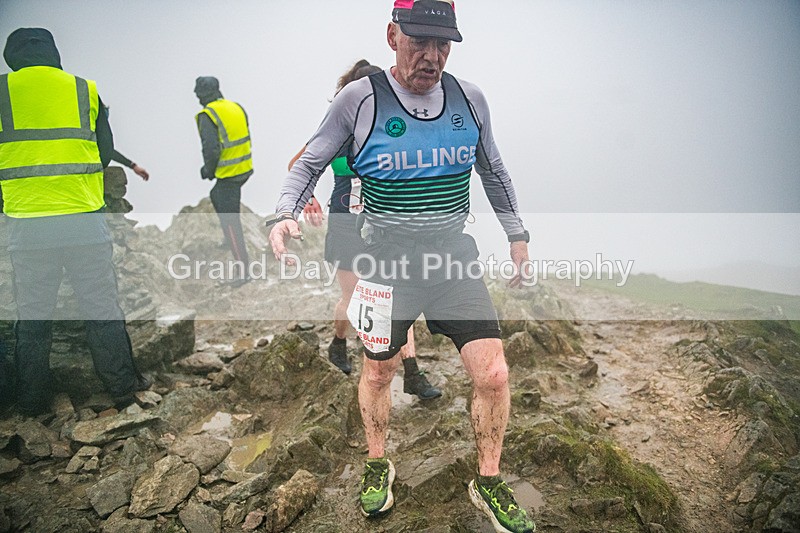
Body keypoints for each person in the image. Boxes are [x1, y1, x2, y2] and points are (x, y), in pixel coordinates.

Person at [269, 1, 535, 531]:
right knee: (379, 369)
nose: (432, 57)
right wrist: (284, 214)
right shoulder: (360, 100)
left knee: (495, 372)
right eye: (419, 42)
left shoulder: (469, 99)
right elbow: (311, 160)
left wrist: (517, 235)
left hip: (452, 257)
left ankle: (487, 481)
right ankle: (376, 464)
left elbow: (494, 170)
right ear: (393, 36)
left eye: (443, 45)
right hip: (382, 262)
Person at [0, 28, 149, 416]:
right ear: (53, 53)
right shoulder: (85, 89)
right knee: (101, 309)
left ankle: (32, 404)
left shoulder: (2, 91)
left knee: (33, 320)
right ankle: (122, 391)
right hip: (83, 221)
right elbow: (102, 154)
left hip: (28, 224)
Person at [290, 60, 441, 400]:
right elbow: (298, 165)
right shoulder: (335, 128)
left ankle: (413, 374)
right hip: (344, 223)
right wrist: (308, 198)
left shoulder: (392, 126)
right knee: (353, 299)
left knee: (396, 298)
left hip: (385, 227)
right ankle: (338, 344)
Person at [194, 76, 253, 286]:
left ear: (202, 95)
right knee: (215, 195)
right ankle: (229, 240)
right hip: (245, 167)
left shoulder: (207, 115)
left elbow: (210, 150)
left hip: (230, 172)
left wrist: (208, 170)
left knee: (230, 220)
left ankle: (243, 271)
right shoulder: (235, 107)